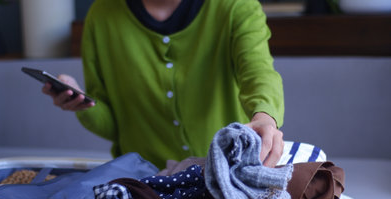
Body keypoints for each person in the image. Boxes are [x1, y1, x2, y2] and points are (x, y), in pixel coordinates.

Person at [42, 0, 285, 169]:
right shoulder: (102, 15)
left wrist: (264, 117)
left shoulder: (236, 7)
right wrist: (82, 102)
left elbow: (259, 73)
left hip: (228, 173)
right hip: (145, 182)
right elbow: (114, 127)